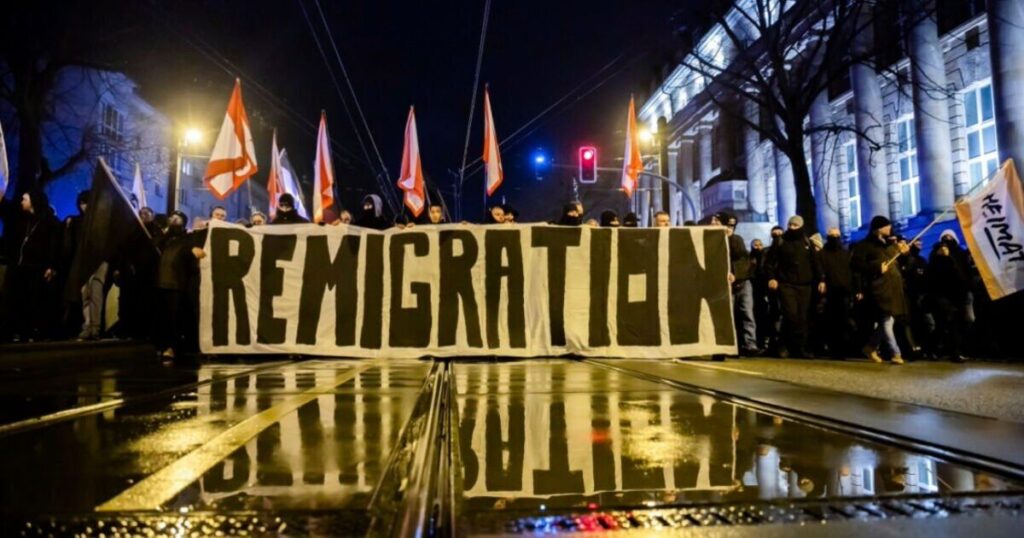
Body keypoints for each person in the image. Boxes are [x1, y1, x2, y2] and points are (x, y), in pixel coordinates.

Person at [3, 191, 61, 341]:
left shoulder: (49, 221)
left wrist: (51, 265)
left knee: (33, 301)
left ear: (33, 201)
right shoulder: (25, 220)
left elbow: (54, 245)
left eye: (25, 199)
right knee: (17, 300)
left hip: (37, 268)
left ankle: (33, 331)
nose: (22, 201)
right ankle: (17, 330)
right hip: (22, 267)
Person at [764, 216, 825, 358]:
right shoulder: (780, 241)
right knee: (790, 315)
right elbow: (770, 263)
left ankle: (800, 347)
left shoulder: (807, 243)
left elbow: (816, 263)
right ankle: (785, 345)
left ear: (801, 226)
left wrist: (821, 279)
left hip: (805, 285)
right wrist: (771, 278)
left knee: (802, 317)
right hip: (786, 284)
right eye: (790, 224)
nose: (792, 227)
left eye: (795, 225)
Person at [852, 215, 909, 365]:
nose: (890, 228)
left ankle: (870, 347)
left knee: (889, 320)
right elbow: (856, 266)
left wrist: (905, 254)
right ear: (878, 229)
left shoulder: (887, 246)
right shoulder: (864, 246)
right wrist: (876, 268)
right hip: (879, 289)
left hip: (893, 289)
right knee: (887, 320)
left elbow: (897, 263)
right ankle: (896, 353)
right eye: (887, 226)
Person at [926, 231, 971, 363]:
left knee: (955, 325)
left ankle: (954, 352)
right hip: (941, 296)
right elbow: (933, 276)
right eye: (945, 238)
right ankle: (934, 349)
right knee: (943, 324)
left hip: (957, 294)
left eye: (951, 237)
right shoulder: (935, 257)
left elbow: (961, 272)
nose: (948, 240)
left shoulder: (959, 254)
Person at [154, 211, 192, 358]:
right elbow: (155, 246)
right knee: (161, 317)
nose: (174, 220)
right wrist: (166, 233)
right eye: (172, 218)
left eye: (178, 219)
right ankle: (161, 344)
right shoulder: (164, 238)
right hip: (160, 283)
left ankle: (172, 346)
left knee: (174, 318)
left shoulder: (187, 239)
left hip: (176, 284)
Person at [721, 212, 759, 355]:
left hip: (742, 281)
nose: (730, 228)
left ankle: (750, 344)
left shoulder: (737, 240)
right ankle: (730, 345)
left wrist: (736, 275)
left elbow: (741, 257)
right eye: (728, 225)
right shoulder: (718, 241)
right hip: (728, 282)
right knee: (728, 315)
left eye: (732, 225)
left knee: (747, 313)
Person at [819, 228, 854, 358]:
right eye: (832, 235)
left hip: (843, 291)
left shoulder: (845, 253)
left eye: (837, 235)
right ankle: (833, 348)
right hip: (830, 292)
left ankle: (842, 349)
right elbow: (820, 269)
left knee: (843, 321)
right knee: (831, 321)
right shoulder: (823, 254)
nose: (835, 237)